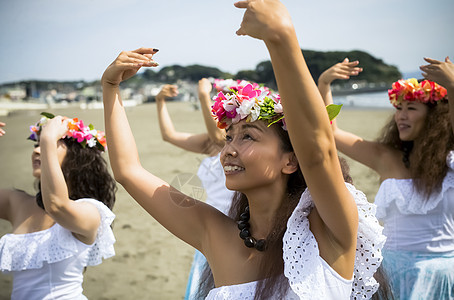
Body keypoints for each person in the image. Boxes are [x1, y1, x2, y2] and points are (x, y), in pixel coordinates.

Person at [101, 1, 385, 299]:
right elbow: (128, 171)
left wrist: (280, 38)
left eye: (247, 137)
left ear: (290, 160)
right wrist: (110, 87)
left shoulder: (327, 230)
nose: (228, 151)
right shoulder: (215, 233)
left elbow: (317, 153)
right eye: (228, 138)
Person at [320, 56, 454, 299]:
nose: (400, 116)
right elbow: (331, 132)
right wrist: (324, 84)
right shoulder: (385, 156)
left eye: (411, 108)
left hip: (441, 273)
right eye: (398, 108)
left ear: (436, 117)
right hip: (391, 270)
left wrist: (452, 87)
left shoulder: (450, 161)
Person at [0, 113, 117, 299]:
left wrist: (47, 138)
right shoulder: (17, 202)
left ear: (76, 158)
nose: (37, 150)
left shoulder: (91, 211)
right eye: (35, 144)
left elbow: (56, 205)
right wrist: (48, 140)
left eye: (48, 144)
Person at [155, 80, 235, 299]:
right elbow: (169, 135)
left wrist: (203, 96)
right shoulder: (210, 142)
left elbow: (219, 135)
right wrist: (160, 100)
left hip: (234, 224)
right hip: (209, 224)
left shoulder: (228, 143)